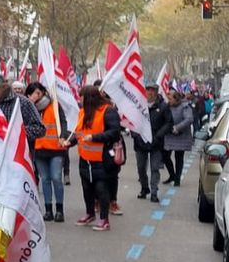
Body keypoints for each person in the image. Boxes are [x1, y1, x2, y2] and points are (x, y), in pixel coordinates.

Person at [67, 85, 122, 231]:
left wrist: (95, 137)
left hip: (102, 158)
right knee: (87, 189)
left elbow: (115, 133)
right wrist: (69, 142)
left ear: (90, 97)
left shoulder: (108, 111)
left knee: (101, 189)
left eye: (82, 97)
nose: (80, 100)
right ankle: (89, 213)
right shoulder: (82, 112)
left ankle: (104, 219)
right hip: (85, 158)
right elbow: (79, 133)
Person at [27, 82, 68, 222]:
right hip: (39, 150)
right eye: (33, 93)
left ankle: (60, 210)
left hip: (56, 148)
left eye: (39, 92)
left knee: (56, 178)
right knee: (45, 180)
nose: (37, 96)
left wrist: (62, 136)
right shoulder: (30, 108)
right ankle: (48, 209)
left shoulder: (55, 105)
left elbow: (63, 122)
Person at [0, 74, 45, 154]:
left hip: (16, 157)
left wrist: (13, 132)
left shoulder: (23, 103)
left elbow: (40, 129)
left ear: (4, 87)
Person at [135, 89, 172, 203]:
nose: (149, 94)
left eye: (152, 92)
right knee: (141, 168)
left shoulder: (163, 106)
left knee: (155, 168)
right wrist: (136, 135)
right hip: (141, 142)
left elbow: (169, 123)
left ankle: (154, 192)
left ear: (156, 93)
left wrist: (159, 135)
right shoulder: (138, 105)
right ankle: (144, 188)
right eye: (147, 91)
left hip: (156, 143)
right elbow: (132, 121)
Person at [163, 91, 194, 186]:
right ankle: (172, 174)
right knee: (165, 156)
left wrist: (178, 127)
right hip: (169, 135)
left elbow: (189, 119)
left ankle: (177, 179)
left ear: (176, 99)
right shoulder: (167, 107)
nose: (169, 101)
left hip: (181, 136)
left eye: (171, 99)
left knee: (179, 158)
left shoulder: (185, 106)